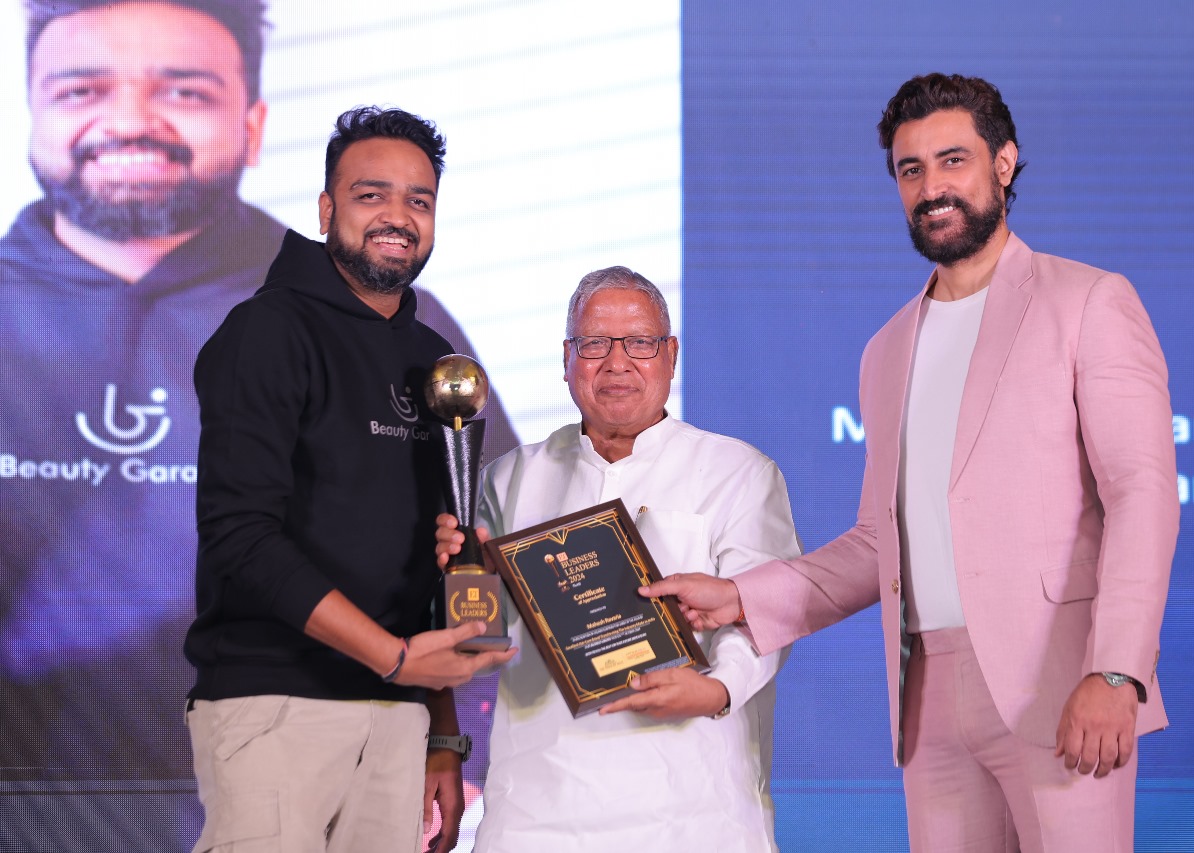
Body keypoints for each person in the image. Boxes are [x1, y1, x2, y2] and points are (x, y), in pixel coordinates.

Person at [644, 73, 1179, 853]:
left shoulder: (1089, 301)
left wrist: (1118, 670)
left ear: (1004, 162)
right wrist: (737, 597)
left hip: (1064, 679)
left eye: (953, 160)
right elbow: (877, 543)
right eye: (911, 169)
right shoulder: (887, 348)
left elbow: (1142, 494)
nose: (932, 188)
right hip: (926, 696)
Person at [0, 0, 516, 803]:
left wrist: (455, 747)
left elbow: (481, 555)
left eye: (184, 91)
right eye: (83, 89)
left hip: (335, 749)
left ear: (252, 124)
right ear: (31, 108)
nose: (130, 119)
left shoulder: (403, 332)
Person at [185, 105, 516, 853]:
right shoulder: (268, 331)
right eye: (372, 195)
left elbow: (439, 568)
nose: (398, 217)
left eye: (419, 200)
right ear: (327, 209)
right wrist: (395, 657)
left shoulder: (435, 358)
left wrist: (442, 733)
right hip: (276, 704)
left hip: (400, 717)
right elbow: (241, 538)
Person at [435, 266, 801, 852]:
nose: (617, 363)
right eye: (594, 344)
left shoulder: (737, 472)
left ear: (671, 355)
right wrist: (462, 585)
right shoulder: (509, 476)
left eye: (639, 343)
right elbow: (483, 643)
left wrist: (719, 689)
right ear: (566, 359)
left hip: (691, 810)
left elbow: (766, 610)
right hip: (534, 811)